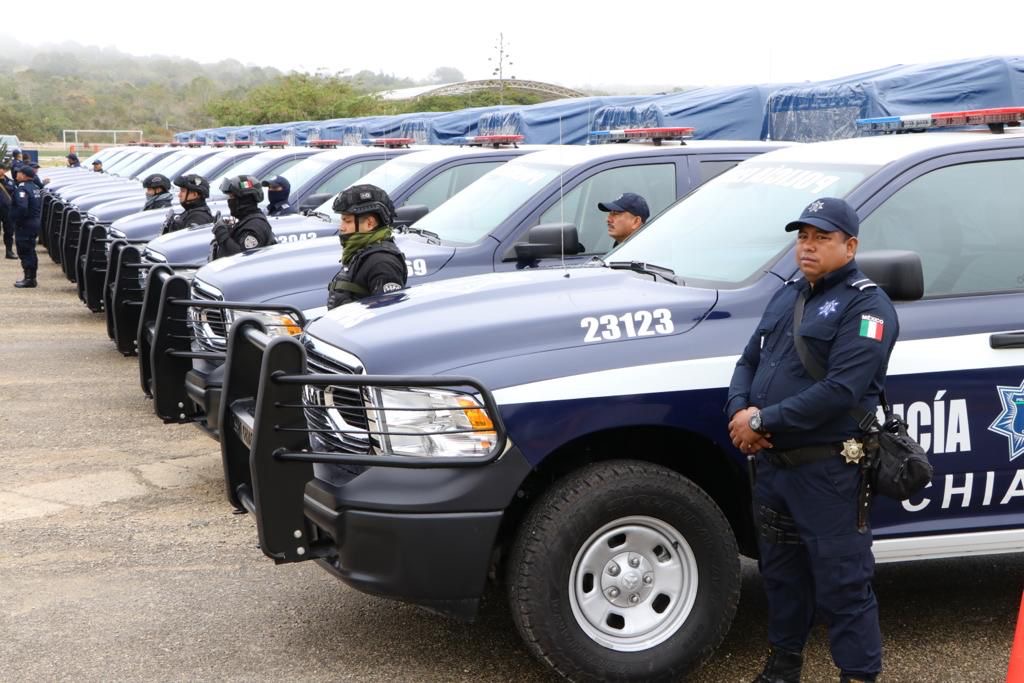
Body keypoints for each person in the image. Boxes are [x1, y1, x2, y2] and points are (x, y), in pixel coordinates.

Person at [725, 197, 898, 683]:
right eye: (803, 237)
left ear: (850, 245)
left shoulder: (869, 306)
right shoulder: (789, 294)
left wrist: (761, 422)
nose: (809, 247)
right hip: (774, 469)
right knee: (781, 578)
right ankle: (782, 671)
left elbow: (841, 391)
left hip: (829, 473)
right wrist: (739, 410)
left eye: (822, 238)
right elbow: (748, 360)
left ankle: (858, 676)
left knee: (843, 583)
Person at [326, 184, 407, 310]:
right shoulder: (361, 254)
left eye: (347, 221)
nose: (341, 227)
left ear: (369, 223)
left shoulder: (382, 263)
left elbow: (386, 317)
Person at [210, 175, 275, 259]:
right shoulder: (247, 221)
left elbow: (243, 258)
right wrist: (229, 230)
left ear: (245, 199)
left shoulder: (255, 226)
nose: (229, 201)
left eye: (232, 197)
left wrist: (222, 234)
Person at [9, 164, 43, 288]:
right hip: (34, 222)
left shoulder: (22, 189)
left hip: (25, 224)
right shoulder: (34, 187)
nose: (16, 174)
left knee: (25, 250)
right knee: (30, 250)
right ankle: (31, 277)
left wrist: (15, 219)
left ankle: (29, 279)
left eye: (18, 173)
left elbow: (22, 207)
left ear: (24, 175)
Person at [0, 162, 16, 259]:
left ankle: (9, 251)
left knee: (9, 231)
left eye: (2, 169)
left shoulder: (9, 181)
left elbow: (13, 191)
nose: (2, 171)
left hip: (7, 210)